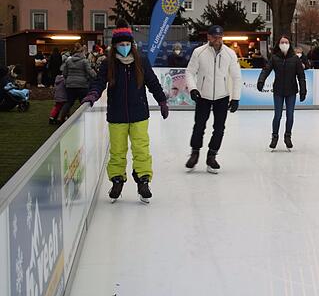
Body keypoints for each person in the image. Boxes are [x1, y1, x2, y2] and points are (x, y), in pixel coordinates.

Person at [82, 22, 169, 203]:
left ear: (132, 44)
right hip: (117, 114)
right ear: (115, 46)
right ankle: (117, 180)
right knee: (117, 151)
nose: (124, 47)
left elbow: (152, 82)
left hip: (139, 114)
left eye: (127, 44)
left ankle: (143, 181)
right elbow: (99, 82)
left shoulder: (141, 61)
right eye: (120, 44)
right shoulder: (108, 63)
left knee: (141, 149)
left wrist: (162, 100)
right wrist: (92, 94)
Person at [184, 25, 242, 174]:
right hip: (203, 95)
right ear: (208, 37)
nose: (218, 40)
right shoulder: (199, 52)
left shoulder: (230, 54)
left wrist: (235, 98)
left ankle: (212, 155)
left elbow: (236, 77)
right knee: (199, 125)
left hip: (222, 96)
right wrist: (193, 89)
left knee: (219, 128)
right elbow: (190, 72)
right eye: (215, 37)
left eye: (220, 37)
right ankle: (195, 153)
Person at [257, 36, 307, 150]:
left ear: (289, 44)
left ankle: (287, 136)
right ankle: (274, 137)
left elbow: (301, 76)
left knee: (290, 115)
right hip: (278, 91)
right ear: (278, 44)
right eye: (282, 42)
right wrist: (261, 80)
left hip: (291, 91)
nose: (284, 44)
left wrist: (303, 90)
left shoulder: (295, 59)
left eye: (286, 42)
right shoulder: (274, 58)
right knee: (278, 115)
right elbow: (266, 70)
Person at [59, 43, 96, 123]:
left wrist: (68, 80)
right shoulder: (84, 61)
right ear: (82, 52)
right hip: (82, 85)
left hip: (70, 85)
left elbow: (64, 73)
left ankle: (62, 118)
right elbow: (90, 72)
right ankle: (85, 117)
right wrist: (96, 77)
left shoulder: (68, 61)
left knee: (69, 102)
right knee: (84, 102)